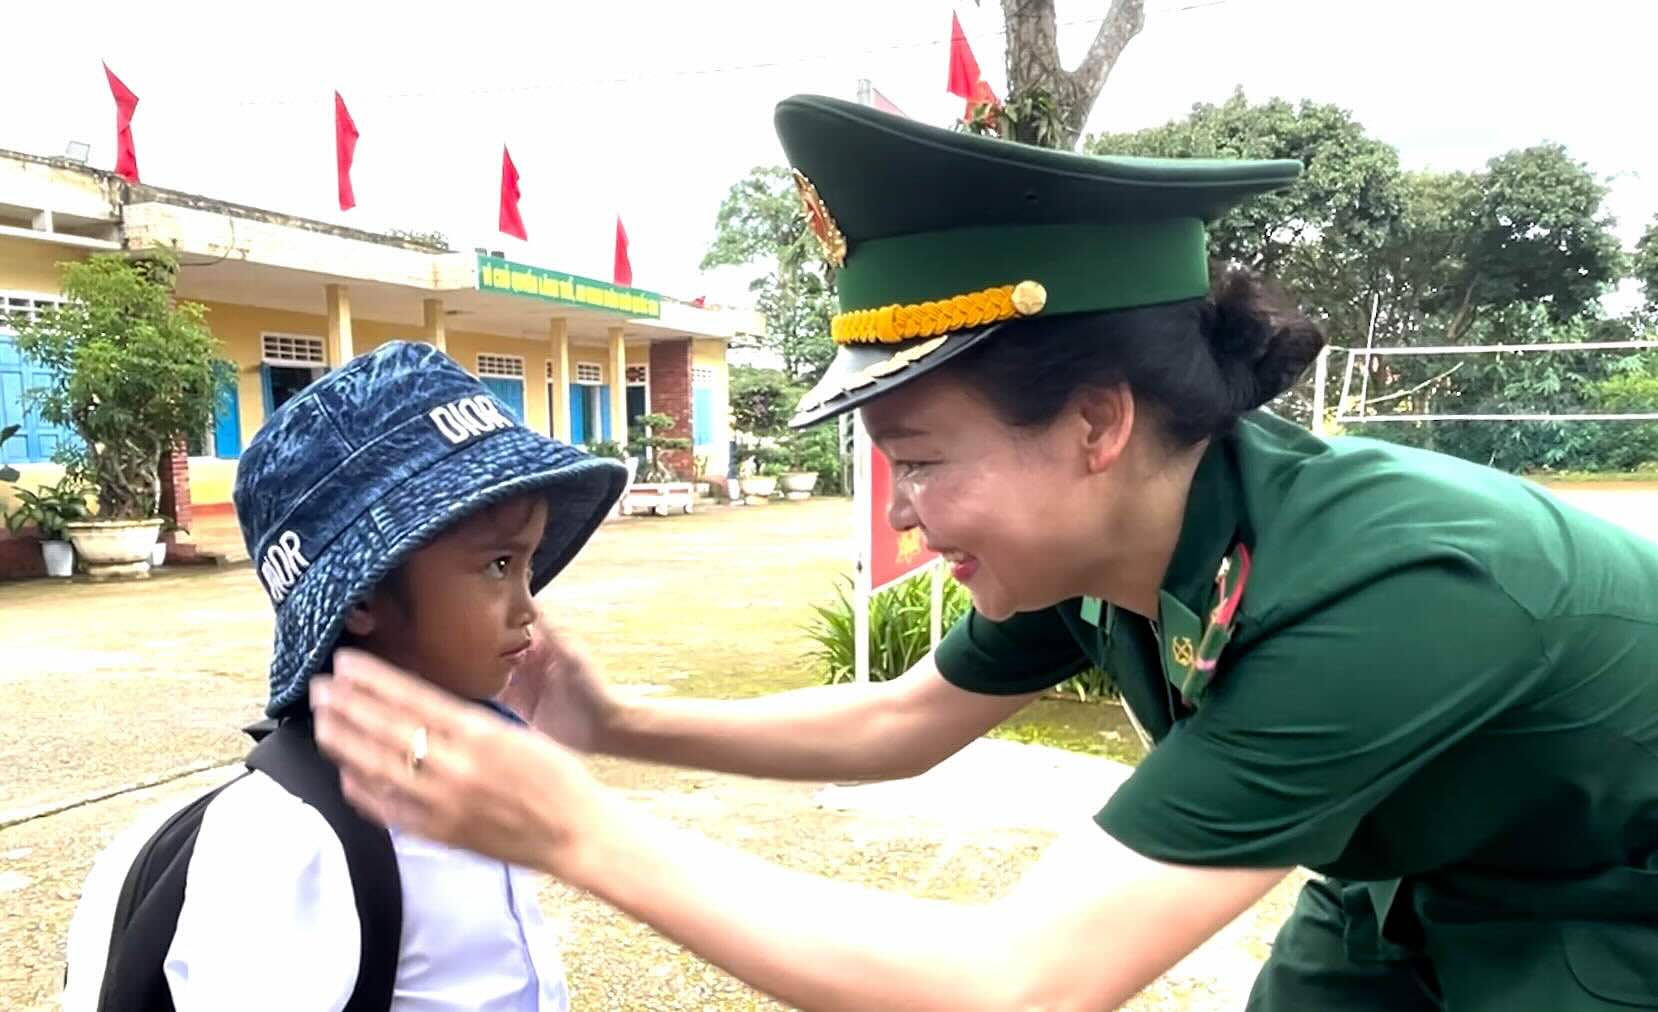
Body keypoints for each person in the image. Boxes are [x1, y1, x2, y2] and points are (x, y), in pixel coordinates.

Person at [308, 96, 1658, 1011]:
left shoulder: (1387, 597)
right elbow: (906, 718)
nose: (900, 515)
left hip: (1603, 908)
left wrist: (567, 827)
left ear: (1093, 423)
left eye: (921, 458)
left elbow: (1022, 981)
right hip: (1400, 885)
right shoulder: (1133, 539)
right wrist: (617, 725)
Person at [62, 341, 627, 1011]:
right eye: (498, 566)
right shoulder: (289, 847)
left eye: (528, 565)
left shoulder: (459, 778)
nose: (530, 605)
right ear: (360, 599)